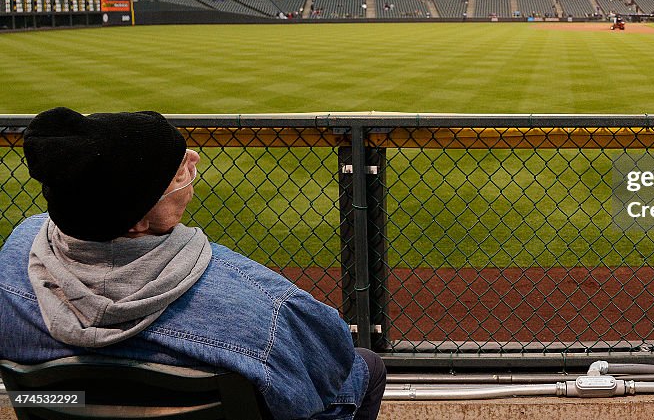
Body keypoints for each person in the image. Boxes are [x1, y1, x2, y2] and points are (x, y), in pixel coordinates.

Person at [0, 108, 386, 420]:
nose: (193, 162)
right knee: (366, 365)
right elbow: (329, 368)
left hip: (66, 405)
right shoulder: (263, 303)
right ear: (136, 221)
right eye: (177, 170)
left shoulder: (13, 258)